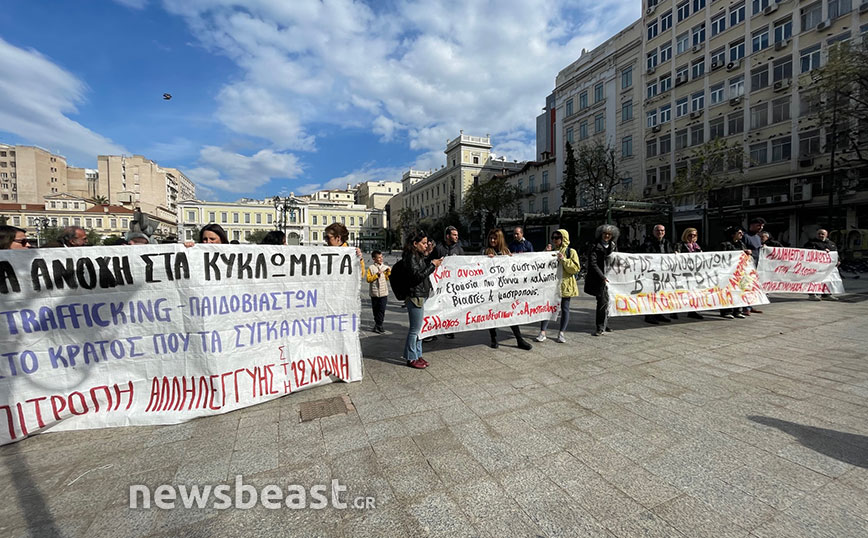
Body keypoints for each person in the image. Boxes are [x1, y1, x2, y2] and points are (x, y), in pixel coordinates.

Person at [483, 229, 533, 350]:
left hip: (505, 291)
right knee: (492, 315)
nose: (492, 240)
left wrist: (512, 260)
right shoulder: (485, 251)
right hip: (491, 290)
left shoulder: (506, 251)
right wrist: (486, 260)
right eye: (490, 238)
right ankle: (493, 338)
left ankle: (519, 339)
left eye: (495, 238)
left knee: (511, 314)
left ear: (500, 239)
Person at [402, 230, 443, 369]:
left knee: (419, 329)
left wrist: (430, 259)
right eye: (423, 243)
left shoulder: (416, 256)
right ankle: (411, 357)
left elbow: (422, 268)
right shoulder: (410, 257)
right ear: (415, 244)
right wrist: (432, 265)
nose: (426, 245)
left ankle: (418, 355)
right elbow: (417, 276)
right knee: (415, 329)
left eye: (427, 243)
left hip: (420, 294)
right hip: (415, 296)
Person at [535, 229, 580, 343]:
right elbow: (540, 265)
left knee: (565, 308)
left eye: (557, 238)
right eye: (553, 238)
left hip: (565, 284)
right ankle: (542, 332)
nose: (554, 240)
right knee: (547, 307)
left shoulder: (571, 251)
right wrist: (545, 253)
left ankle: (561, 333)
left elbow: (575, 268)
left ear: (563, 239)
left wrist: (564, 260)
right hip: (552, 285)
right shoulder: (551, 251)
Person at [426, 225, 464, 341]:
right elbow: (430, 262)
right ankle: (433, 331)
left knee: (451, 307)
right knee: (436, 307)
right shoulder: (439, 248)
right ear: (448, 236)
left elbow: (466, 263)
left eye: (457, 235)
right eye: (454, 235)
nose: (456, 237)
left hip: (453, 285)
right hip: (439, 285)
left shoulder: (459, 249)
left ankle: (449, 329)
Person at [585, 224, 618, 336]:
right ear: (601, 234)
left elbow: (617, 259)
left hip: (610, 278)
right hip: (599, 279)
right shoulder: (594, 245)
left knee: (608, 302)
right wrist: (602, 277)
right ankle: (599, 327)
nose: (607, 236)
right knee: (602, 302)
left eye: (609, 234)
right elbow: (593, 263)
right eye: (605, 233)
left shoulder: (613, 245)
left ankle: (604, 323)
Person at [642, 224, 674, 324]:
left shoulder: (667, 243)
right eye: (658, 231)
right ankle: (649, 316)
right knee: (651, 294)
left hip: (663, 274)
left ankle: (659, 313)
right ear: (654, 232)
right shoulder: (647, 244)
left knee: (661, 294)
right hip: (652, 274)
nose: (660, 232)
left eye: (662, 231)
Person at [718, 226, 750, 319]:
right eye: (739, 233)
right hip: (727, 273)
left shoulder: (741, 244)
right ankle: (726, 311)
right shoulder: (724, 244)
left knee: (738, 291)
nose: (742, 234)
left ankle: (738, 310)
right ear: (733, 234)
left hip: (739, 272)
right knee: (727, 292)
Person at [674, 228, 705, 320]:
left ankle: (692, 310)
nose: (692, 237)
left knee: (693, 292)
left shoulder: (697, 247)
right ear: (685, 235)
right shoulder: (679, 245)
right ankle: (674, 311)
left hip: (693, 274)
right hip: (682, 273)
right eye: (690, 235)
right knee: (679, 292)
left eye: (694, 235)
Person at [804, 228, 840, 301]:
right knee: (814, 280)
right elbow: (807, 253)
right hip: (815, 267)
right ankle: (812, 295)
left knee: (827, 280)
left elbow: (835, 253)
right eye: (819, 234)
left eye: (822, 234)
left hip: (827, 267)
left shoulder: (831, 244)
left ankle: (826, 295)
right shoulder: (811, 243)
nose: (820, 235)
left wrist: (838, 260)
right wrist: (822, 252)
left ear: (826, 235)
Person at [741, 217, 765, 314]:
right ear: (751, 225)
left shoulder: (758, 237)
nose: (761, 228)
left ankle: (750, 305)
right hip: (746, 266)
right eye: (758, 225)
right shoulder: (745, 236)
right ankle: (745, 307)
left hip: (755, 265)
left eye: (762, 226)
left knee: (752, 286)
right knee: (745, 286)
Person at [366, 250, 391, 333]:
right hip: (375, 293)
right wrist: (377, 275)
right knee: (376, 310)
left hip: (383, 292)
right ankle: (378, 325)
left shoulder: (384, 267)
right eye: (379, 257)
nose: (381, 259)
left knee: (382, 310)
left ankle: (379, 325)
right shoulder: (371, 268)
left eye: (381, 257)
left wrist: (388, 272)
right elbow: (368, 279)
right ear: (374, 259)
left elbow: (386, 278)